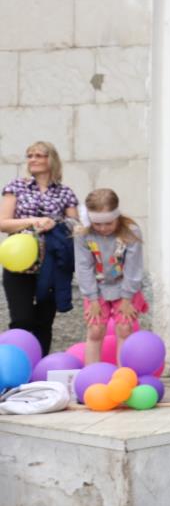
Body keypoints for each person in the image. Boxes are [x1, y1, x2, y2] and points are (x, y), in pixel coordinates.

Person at [0, 142, 79, 355]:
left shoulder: (65, 192)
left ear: (51, 159)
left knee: (44, 322)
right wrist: (33, 221)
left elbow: (76, 226)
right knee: (22, 320)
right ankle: (18, 367)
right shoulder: (16, 187)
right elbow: (3, 223)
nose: (32, 159)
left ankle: (40, 368)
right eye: (29, 155)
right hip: (19, 264)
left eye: (38, 155)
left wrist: (56, 223)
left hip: (51, 265)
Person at [73, 189, 146, 365]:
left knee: (124, 328)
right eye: (97, 224)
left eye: (108, 223)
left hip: (124, 286)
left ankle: (123, 374)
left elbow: (134, 267)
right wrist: (93, 299)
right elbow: (83, 267)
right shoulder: (83, 234)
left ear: (117, 217)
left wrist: (127, 299)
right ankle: (92, 374)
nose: (103, 228)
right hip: (96, 287)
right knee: (95, 329)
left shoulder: (131, 232)